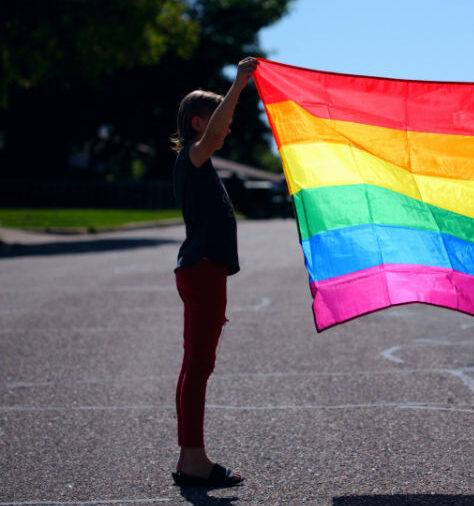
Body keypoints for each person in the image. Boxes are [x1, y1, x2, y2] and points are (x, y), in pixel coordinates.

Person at [169, 56, 258, 488]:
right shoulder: (194, 155)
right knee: (199, 365)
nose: (225, 128)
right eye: (217, 117)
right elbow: (221, 128)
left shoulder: (200, 162)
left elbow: (222, 128)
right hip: (202, 271)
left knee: (195, 366)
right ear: (199, 122)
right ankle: (194, 462)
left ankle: (191, 456)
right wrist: (241, 83)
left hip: (203, 270)